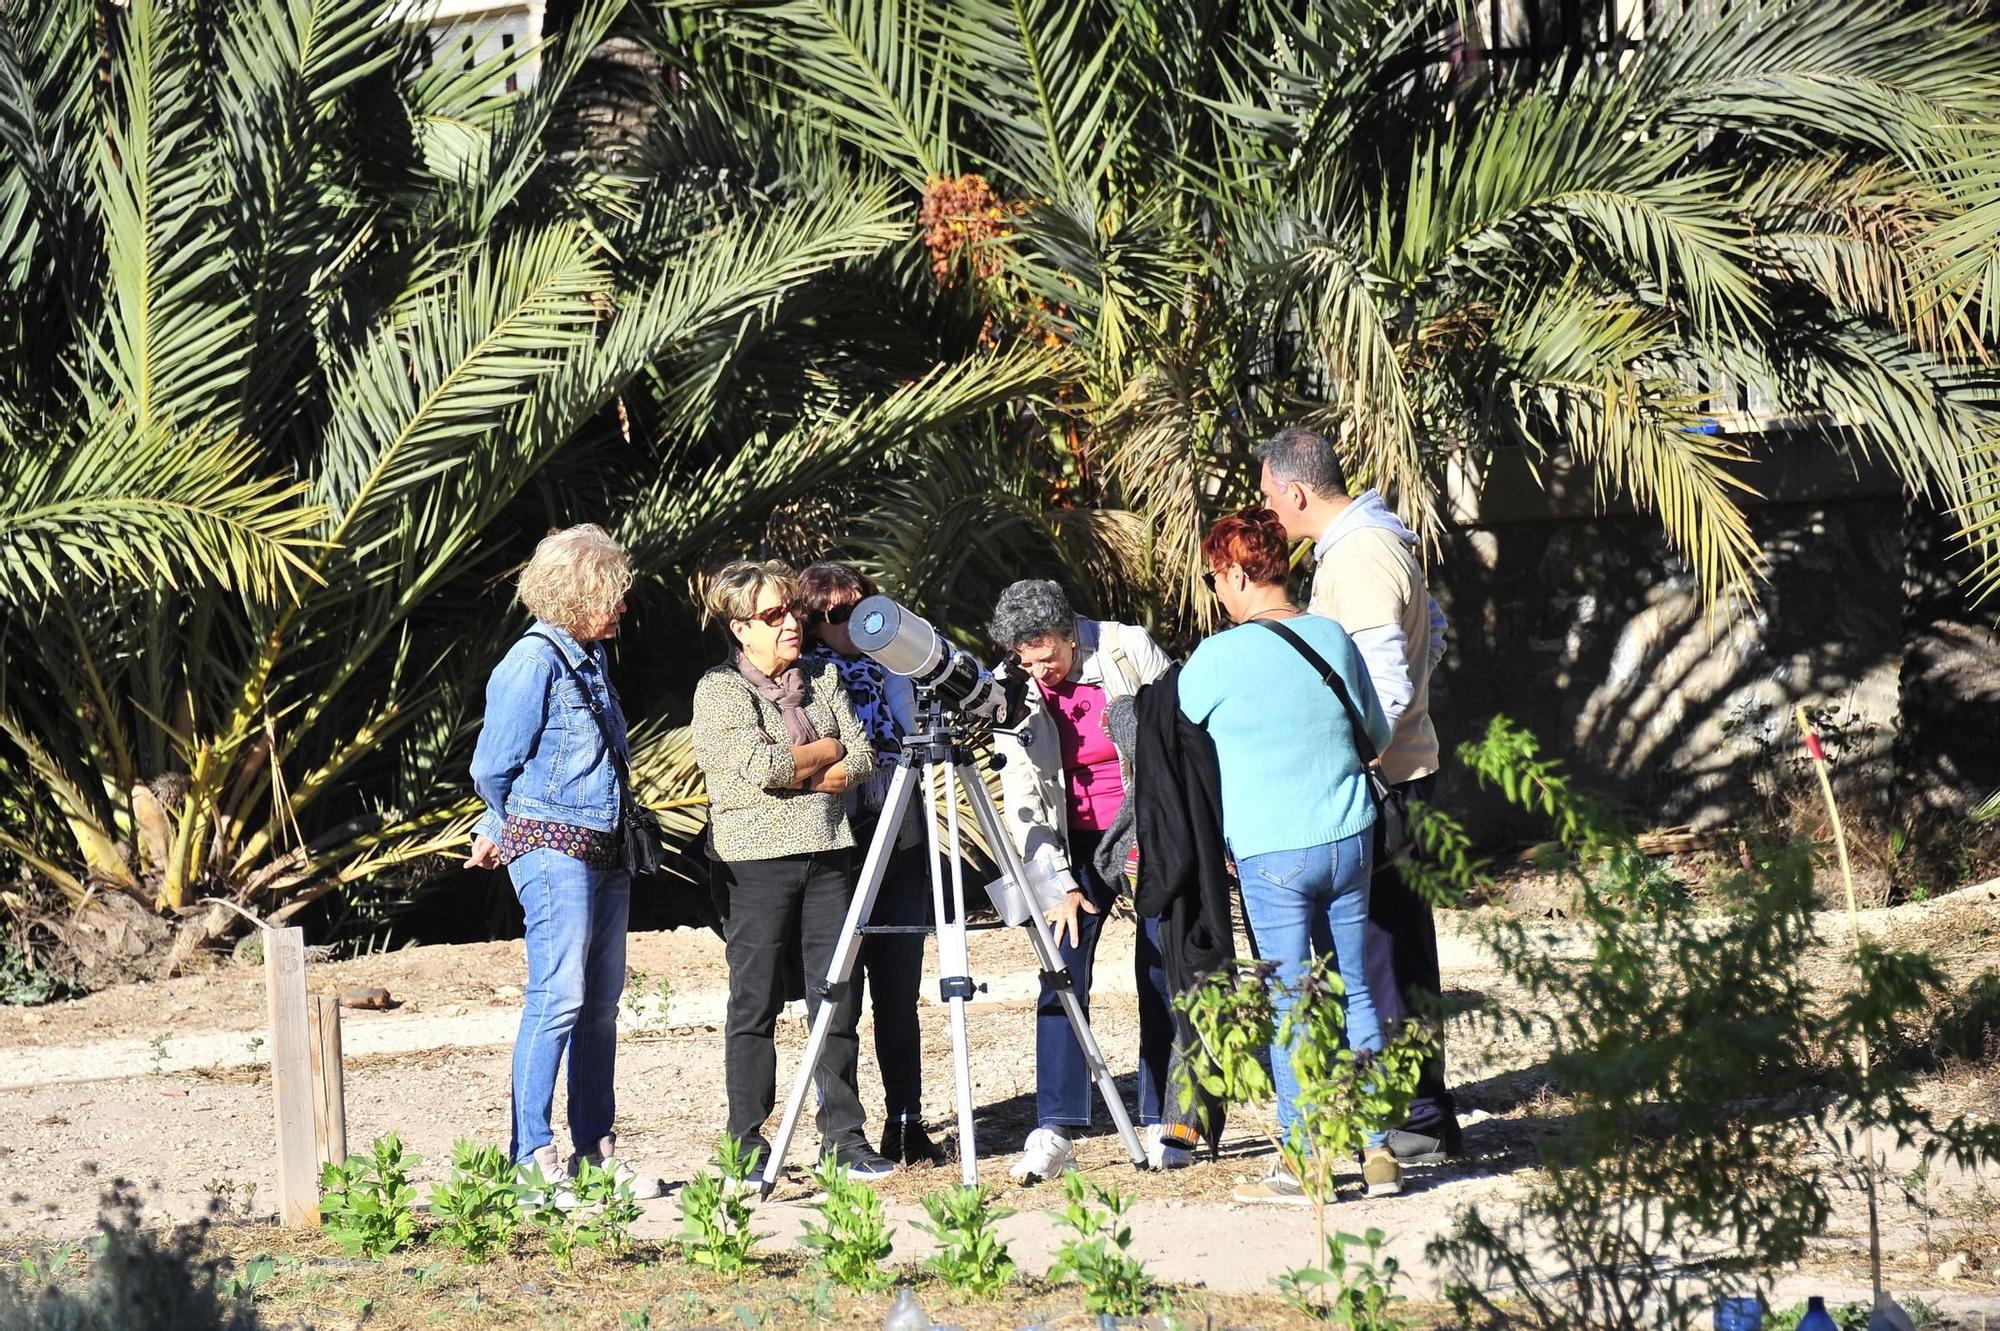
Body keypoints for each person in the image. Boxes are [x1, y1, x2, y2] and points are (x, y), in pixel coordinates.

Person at [1177, 507, 1401, 1203]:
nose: (1218, 592)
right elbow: (1376, 733)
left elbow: (1182, 720)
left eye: (1218, 577)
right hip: (1348, 838)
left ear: (1239, 572)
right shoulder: (1330, 637)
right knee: (1356, 986)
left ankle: (1304, 1158)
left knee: (1289, 1003)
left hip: (1273, 851)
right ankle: (1378, 1147)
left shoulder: (1215, 659)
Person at [1256, 426, 1461, 1163]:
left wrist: (1347, 762)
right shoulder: (1371, 544)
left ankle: (1415, 1117)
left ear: (1296, 491)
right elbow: (1432, 636)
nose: (1270, 514)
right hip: (1395, 773)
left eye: (1270, 499)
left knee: (1382, 955)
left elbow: (1388, 683)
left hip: (1384, 783)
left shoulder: (1365, 554)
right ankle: (1416, 1110)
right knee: (1387, 949)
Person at [466, 523, 663, 1198]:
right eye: (611, 594)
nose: (623, 608)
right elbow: (493, 765)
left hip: (604, 845)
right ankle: (531, 1153)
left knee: (602, 1001)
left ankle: (594, 1149)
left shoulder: (591, 657)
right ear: (576, 594)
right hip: (552, 846)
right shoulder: (531, 662)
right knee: (559, 994)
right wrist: (511, 818)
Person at [689, 559, 896, 1180]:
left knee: (836, 997)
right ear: (740, 628)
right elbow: (760, 770)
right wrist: (823, 754)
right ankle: (747, 1145)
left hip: (831, 855)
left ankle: (844, 1137)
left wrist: (813, 760)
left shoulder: (823, 677)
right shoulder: (720, 691)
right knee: (753, 1003)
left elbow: (860, 755)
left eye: (792, 614)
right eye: (773, 616)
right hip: (754, 866)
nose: (790, 627)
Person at [987, 579, 1179, 1181]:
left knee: (1158, 966)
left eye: (1046, 650)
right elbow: (1021, 790)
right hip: (1068, 838)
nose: (1038, 664)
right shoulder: (1011, 687)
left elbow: (1183, 736)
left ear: (1070, 632)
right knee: (1061, 970)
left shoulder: (1127, 649)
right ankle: (1057, 1125)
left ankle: (1163, 1114)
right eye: (1024, 653)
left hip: (1145, 824)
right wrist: (1056, 883)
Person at [793, 561, 947, 1166]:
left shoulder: (895, 662)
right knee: (836, 988)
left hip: (900, 806)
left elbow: (915, 725)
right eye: (833, 615)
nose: (851, 625)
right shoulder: (801, 675)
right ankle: (843, 1134)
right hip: (835, 817)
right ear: (810, 622)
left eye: (862, 609)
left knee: (899, 984)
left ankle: (906, 1120)